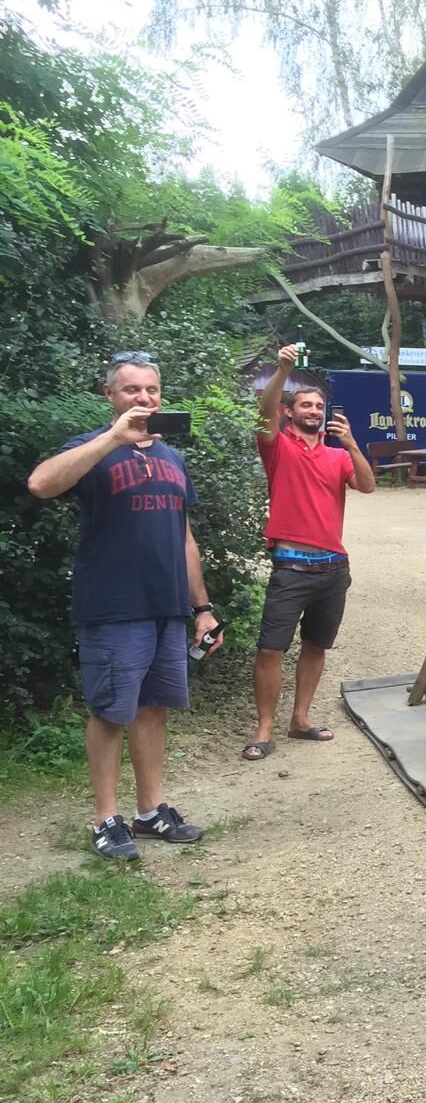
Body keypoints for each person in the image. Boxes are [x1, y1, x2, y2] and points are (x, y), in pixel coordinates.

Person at [27, 350, 223, 859]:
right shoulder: (93, 447)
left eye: (151, 389)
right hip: (114, 606)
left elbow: (185, 539)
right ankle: (105, 819)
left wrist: (202, 607)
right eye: (132, 389)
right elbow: (41, 484)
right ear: (110, 395)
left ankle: (150, 811)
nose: (144, 398)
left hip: (167, 606)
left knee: (153, 709)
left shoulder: (173, 458)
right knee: (112, 712)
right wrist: (114, 437)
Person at [243, 344, 376, 761]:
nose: (314, 410)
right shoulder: (277, 446)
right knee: (271, 648)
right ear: (289, 411)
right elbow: (264, 412)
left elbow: (368, 485)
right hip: (291, 565)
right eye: (305, 404)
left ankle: (300, 719)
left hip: (333, 567)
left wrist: (352, 444)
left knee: (316, 645)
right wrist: (283, 370)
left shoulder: (337, 455)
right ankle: (264, 729)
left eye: (319, 405)